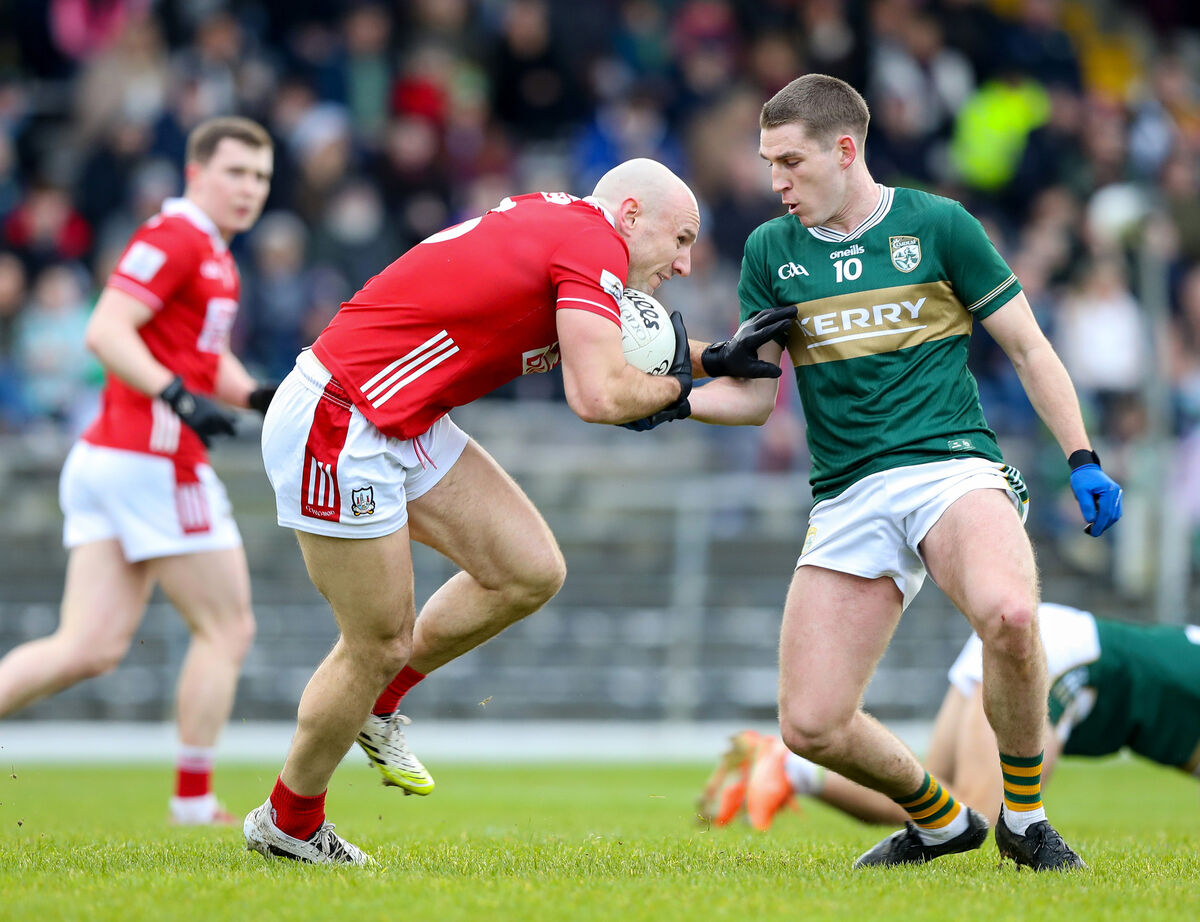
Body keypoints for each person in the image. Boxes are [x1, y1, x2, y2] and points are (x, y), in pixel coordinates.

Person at [242, 158, 792, 866]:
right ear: (628, 215)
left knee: (527, 569)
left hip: (397, 414)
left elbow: (611, 359)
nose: (686, 264)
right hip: (343, 414)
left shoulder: (574, 234)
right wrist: (686, 385)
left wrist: (713, 357)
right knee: (374, 643)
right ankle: (288, 823)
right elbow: (597, 395)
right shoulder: (592, 243)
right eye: (680, 239)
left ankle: (378, 705)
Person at [670, 74, 1124, 870]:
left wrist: (1081, 457)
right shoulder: (770, 250)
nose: (774, 181)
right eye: (768, 161)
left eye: (790, 161)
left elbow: (1028, 348)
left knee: (1013, 617)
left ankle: (1024, 816)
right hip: (847, 492)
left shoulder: (938, 224)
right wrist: (665, 399)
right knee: (810, 725)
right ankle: (943, 820)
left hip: (952, 467)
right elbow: (749, 397)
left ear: (845, 150)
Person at [0, 116, 276, 825]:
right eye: (237, 172)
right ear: (196, 173)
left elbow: (202, 357)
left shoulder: (214, 252)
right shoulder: (177, 236)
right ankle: (192, 803)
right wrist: (176, 395)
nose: (250, 188)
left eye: (262, 176)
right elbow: (106, 328)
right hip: (151, 460)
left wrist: (255, 396)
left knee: (86, 648)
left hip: (111, 457)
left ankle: (192, 799)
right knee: (229, 628)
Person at [698, 602, 1200, 832]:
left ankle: (790, 768)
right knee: (980, 821)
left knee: (934, 807)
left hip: (1053, 640)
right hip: (1058, 657)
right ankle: (790, 766)